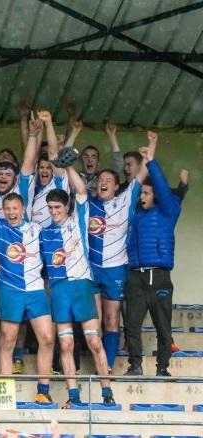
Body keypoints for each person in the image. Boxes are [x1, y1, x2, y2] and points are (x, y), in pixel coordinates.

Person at [0, 151, 55, 403]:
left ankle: (43, 392)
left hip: (36, 291)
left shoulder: (36, 229)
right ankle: (5, 395)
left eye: (15, 208)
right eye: (7, 208)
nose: (11, 212)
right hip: (9, 290)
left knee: (47, 338)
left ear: (22, 209)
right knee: (7, 340)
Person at [39, 165, 115, 407]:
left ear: (67, 207)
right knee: (66, 343)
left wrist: (69, 166)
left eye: (57, 207)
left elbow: (81, 189)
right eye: (50, 208)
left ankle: (107, 394)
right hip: (59, 289)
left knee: (94, 342)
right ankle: (74, 397)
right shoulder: (43, 233)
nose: (53, 212)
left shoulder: (78, 220)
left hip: (82, 286)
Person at [88, 142, 148, 372]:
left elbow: (142, 173)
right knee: (95, 322)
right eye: (100, 180)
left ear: (116, 187)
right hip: (91, 269)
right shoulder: (88, 204)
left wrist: (149, 150)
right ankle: (99, 363)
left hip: (116, 269)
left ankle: (108, 366)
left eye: (108, 181)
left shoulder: (124, 201)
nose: (103, 183)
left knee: (112, 320)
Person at [124, 133, 181, 377]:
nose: (142, 197)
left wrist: (151, 158)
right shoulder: (135, 215)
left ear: (156, 195)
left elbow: (158, 183)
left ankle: (162, 368)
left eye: (146, 194)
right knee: (132, 325)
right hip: (136, 276)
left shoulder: (168, 211)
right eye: (141, 194)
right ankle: (135, 365)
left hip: (159, 276)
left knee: (163, 326)